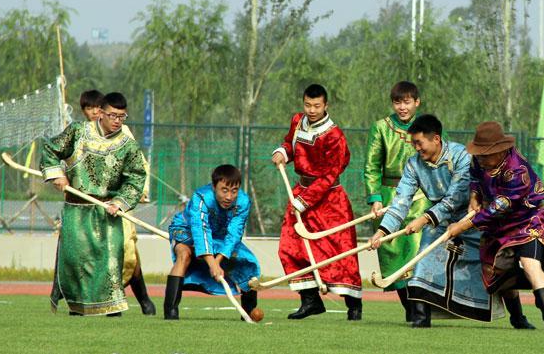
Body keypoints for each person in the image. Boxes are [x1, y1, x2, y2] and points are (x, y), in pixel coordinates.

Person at [371, 114, 501, 327]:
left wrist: (424, 218)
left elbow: (456, 195)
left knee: (492, 269)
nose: (416, 148)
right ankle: (421, 319)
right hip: (439, 222)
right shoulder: (413, 164)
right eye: (413, 143)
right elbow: (401, 201)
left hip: (471, 220)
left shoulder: (462, 155)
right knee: (423, 264)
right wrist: (383, 232)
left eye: (419, 143)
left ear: (436, 139)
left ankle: (518, 316)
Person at [447, 121, 544, 331]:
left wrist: (461, 226)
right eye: (478, 154)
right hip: (498, 227)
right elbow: (474, 177)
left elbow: (498, 208)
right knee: (500, 274)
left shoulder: (516, 171)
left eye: (485, 154)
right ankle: (518, 319)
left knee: (530, 264)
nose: (480, 158)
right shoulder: (479, 161)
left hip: (526, 220)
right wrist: (474, 195)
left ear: (499, 151)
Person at [41, 92, 146, 316]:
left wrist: (120, 202)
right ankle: (78, 308)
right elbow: (51, 150)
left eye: (121, 116)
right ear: (101, 113)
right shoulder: (78, 131)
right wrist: (57, 174)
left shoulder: (128, 146)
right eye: (112, 115)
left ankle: (112, 309)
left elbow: (136, 178)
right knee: (75, 261)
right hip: (76, 211)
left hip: (107, 212)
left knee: (109, 260)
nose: (117, 120)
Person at [271, 84, 363, 320]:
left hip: (330, 200)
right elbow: (289, 143)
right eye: (308, 105)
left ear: (326, 105)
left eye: (317, 106)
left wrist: (305, 200)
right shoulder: (297, 121)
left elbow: (330, 175)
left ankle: (354, 307)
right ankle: (310, 301)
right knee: (291, 245)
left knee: (339, 253)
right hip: (300, 193)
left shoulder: (335, 136)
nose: (312, 110)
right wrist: (283, 152)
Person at [73, 90, 156, 315]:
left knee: (126, 252)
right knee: (84, 254)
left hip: (116, 204)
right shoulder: (80, 134)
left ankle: (143, 299)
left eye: (97, 108)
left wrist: (136, 193)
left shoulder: (123, 133)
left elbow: (140, 167)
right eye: (88, 109)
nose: (93, 113)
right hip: (87, 209)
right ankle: (88, 302)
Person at [365, 81, 431, 321]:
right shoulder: (380, 128)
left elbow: (442, 161)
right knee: (393, 255)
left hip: (421, 197)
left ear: (417, 102)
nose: (402, 107)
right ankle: (411, 310)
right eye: (397, 102)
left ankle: (419, 310)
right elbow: (372, 166)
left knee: (416, 253)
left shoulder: (429, 127)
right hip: (389, 197)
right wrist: (375, 198)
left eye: (407, 102)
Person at [163, 164, 261, 320]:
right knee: (184, 254)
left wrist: (219, 260)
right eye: (224, 190)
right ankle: (170, 312)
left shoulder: (243, 202)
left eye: (234, 191)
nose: (229, 197)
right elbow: (200, 231)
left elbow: (234, 234)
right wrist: (212, 264)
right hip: (186, 229)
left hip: (220, 237)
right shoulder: (201, 198)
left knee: (247, 261)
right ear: (214, 186)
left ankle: (248, 312)